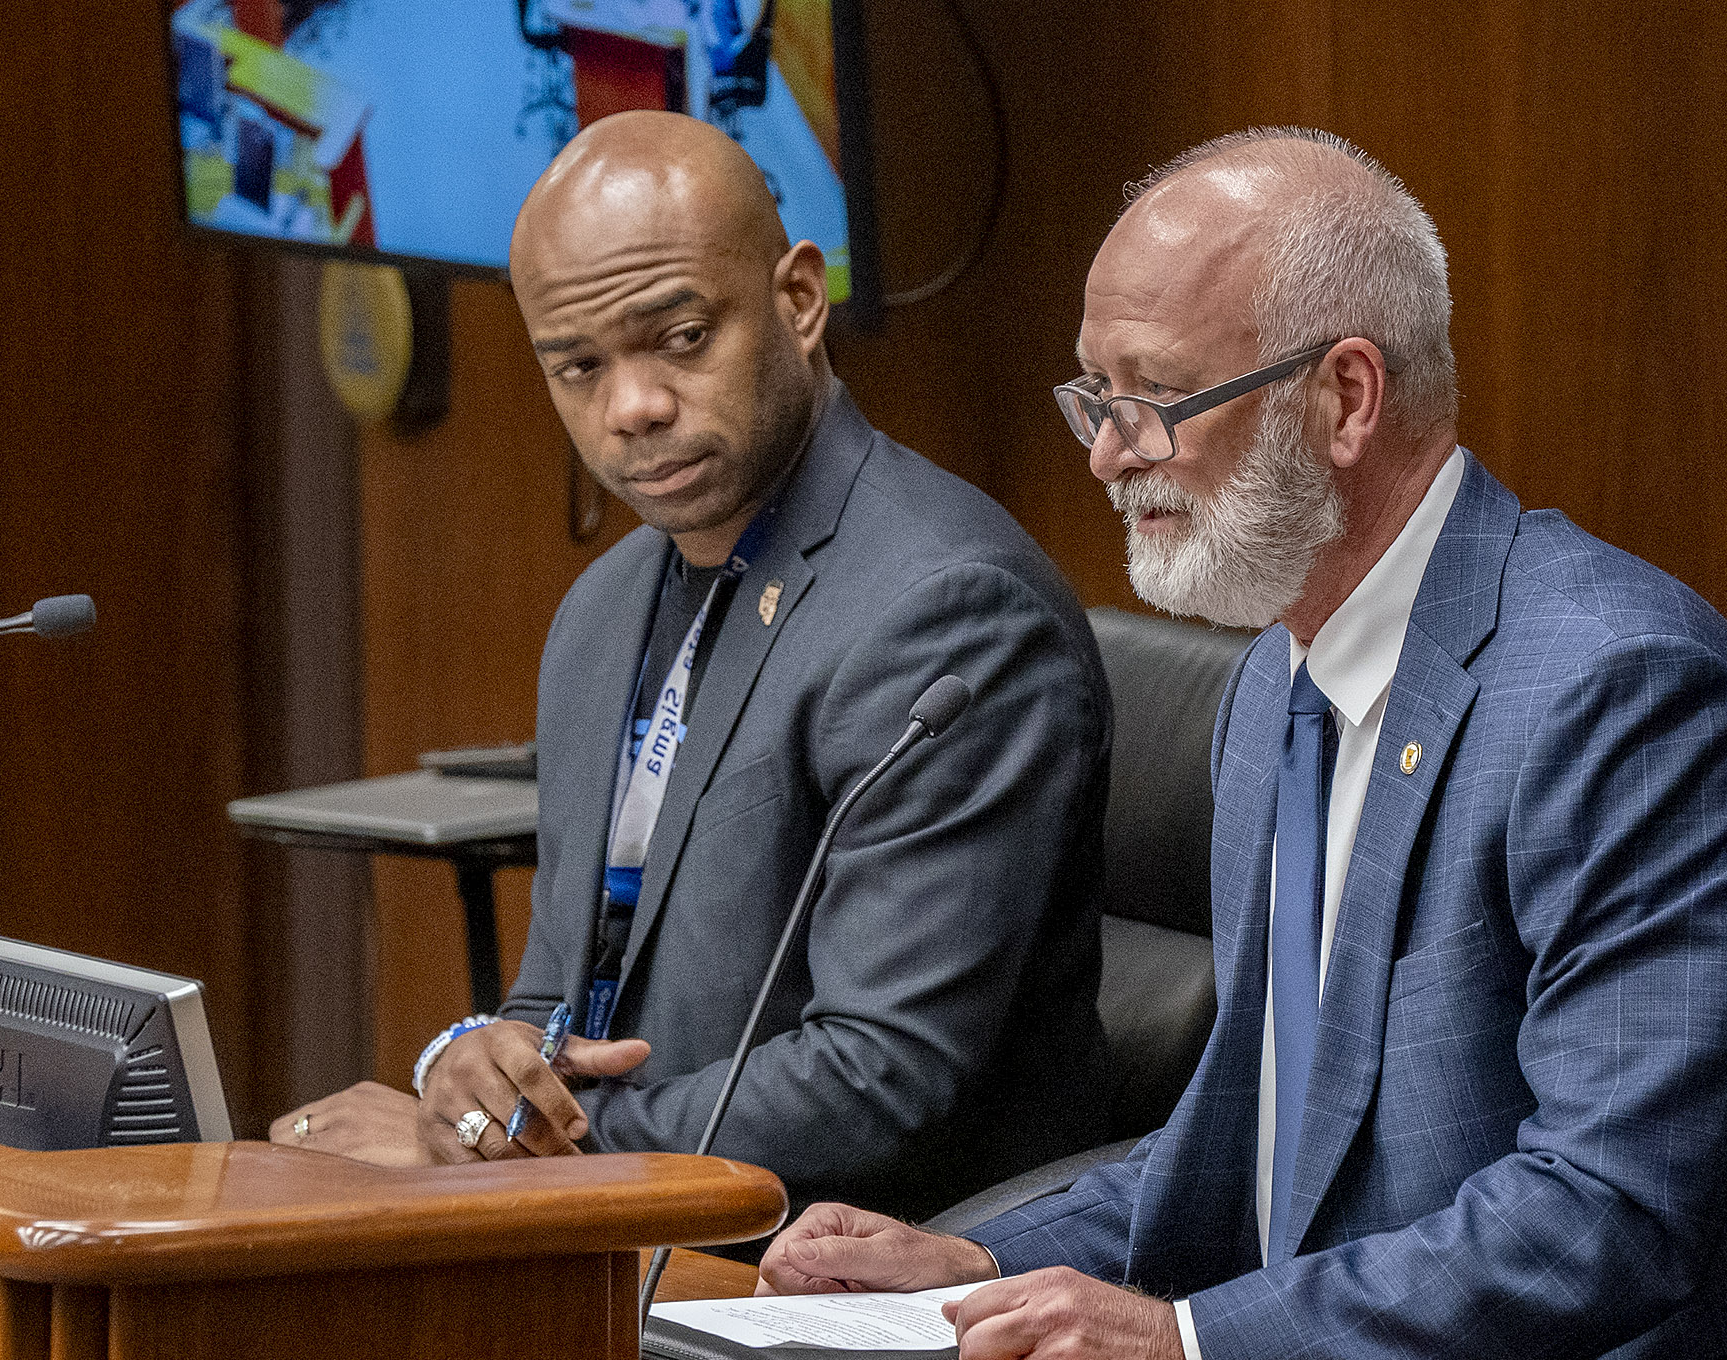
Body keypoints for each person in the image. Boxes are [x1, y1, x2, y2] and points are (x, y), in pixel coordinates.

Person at [754, 128, 1727, 1360]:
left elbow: (1601, 1218)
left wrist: (1187, 1350)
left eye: (1152, 402)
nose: (1111, 453)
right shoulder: (1281, 683)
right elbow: (1254, 1143)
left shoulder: (1623, 698)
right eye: (1094, 400)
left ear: (1345, 397)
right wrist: (974, 1267)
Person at [277, 112, 1115, 1226]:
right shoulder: (604, 610)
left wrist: (511, 1158)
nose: (631, 408)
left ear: (800, 303)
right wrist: (471, 1074)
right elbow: (562, 996)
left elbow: (883, 1082)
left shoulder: (949, 616)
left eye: (679, 338)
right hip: (642, 1242)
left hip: (887, 1283)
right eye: (578, 367)